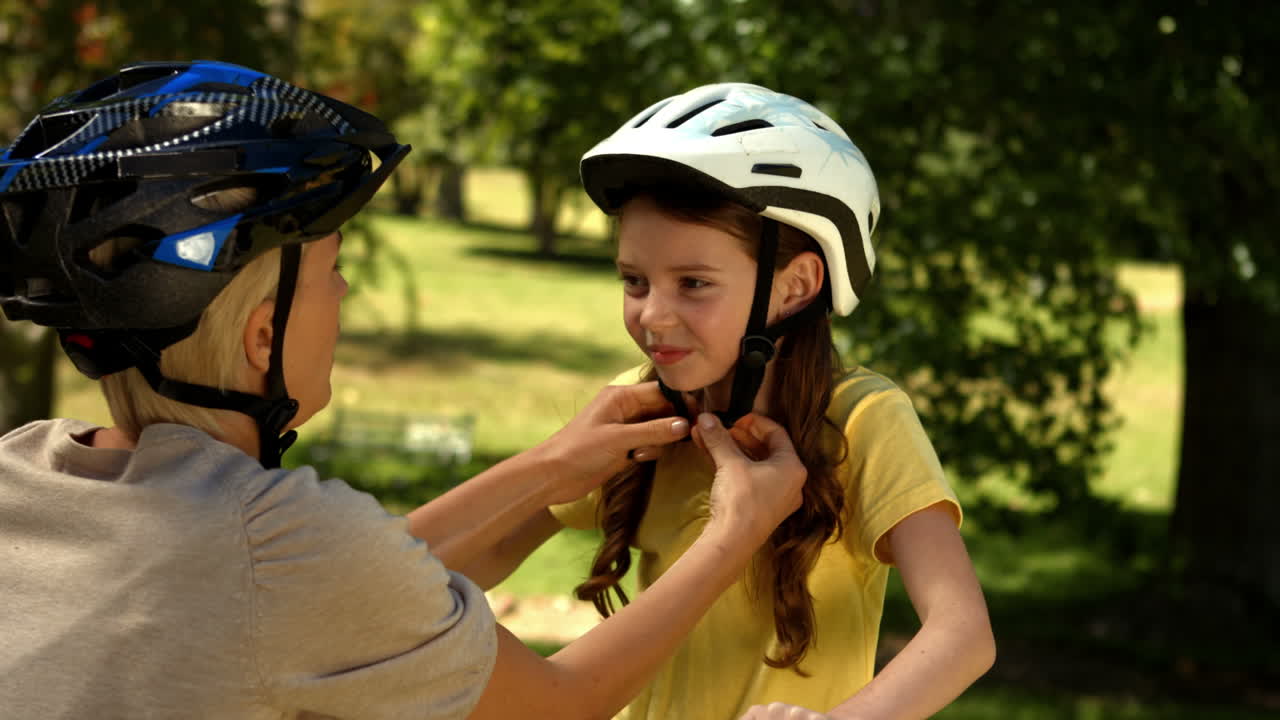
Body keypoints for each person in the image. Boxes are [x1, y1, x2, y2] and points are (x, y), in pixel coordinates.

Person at [0, 62, 808, 720]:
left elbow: (343, 590)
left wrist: (548, 467)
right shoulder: (276, 540)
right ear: (262, 338)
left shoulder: (25, 471)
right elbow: (564, 701)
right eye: (331, 271)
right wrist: (734, 533)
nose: (346, 296)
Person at [458, 83, 997, 720]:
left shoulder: (861, 419)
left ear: (796, 285)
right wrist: (552, 460)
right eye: (634, 281)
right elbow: (475, 558)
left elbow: (962, 634)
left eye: (693, 284)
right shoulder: (640, 413)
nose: (653, 315)